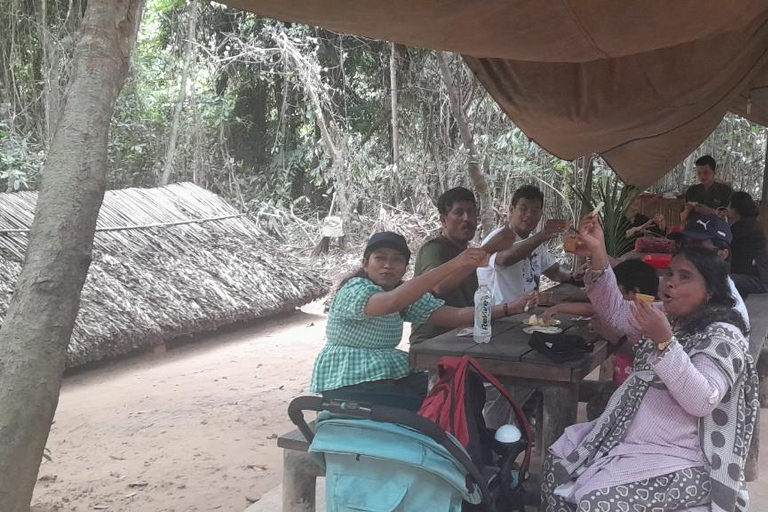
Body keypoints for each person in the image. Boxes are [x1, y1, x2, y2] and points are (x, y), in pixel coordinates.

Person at [541, 218, 758, 512]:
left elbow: (702, 400)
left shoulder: (724, 334)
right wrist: (598, 252)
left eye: (684, 277)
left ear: (709, 291)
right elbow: (616, 311)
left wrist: (665, 343)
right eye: (670, 273)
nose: (669, 282)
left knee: (596, 501)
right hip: (634, 435)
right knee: (559, 459)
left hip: (685, 455)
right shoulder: (670, 316)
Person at [310, 231, 535, 411]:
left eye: (397, 260)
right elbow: (391, 302)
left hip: (387, 375)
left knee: (467, 389)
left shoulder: (403, 294)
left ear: (404, 268)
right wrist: (454, 264)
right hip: (349, 381)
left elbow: (455, 315)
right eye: (380, 258)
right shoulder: (355, 289)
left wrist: (508, 308)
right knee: (433, 405)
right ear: (365, 263)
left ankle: (470, 450)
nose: (388, 265)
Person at [481, 185, 576, 305]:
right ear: (511, 210)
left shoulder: (535, 242)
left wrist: (574, 276)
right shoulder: (497, 238)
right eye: (523, 209)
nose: (529, 215)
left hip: (527, 313)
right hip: (500, 317)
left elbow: (555, 272)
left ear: (541, 214)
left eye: (535, 210)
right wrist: (541, 236)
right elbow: (505, 259)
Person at [410, 188, 481, 344]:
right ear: (443, 220)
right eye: (458, 213)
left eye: (471, 212)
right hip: (432, 342)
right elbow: (439, 286)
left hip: (464, 336)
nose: (466, 219)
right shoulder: (433, 249)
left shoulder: (467, 251)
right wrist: (488, 250)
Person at [727, 191, 768, 297]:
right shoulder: (751, 223)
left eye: (729, 206)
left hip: (759, 280)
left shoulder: (743, 227)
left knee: (722, 279)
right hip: (759, 276)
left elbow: (724, 240)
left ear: (735, 210)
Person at [681, 155, 733, 224]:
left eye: (706, 173)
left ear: (714, 173)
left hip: (716, 231)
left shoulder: (726, 191)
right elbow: (682, 218)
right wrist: (688, 210)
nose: (702, 176)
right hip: (694, 230)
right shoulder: (692, 191)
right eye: (699, 173)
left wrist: (710, 211)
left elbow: (729, 218)